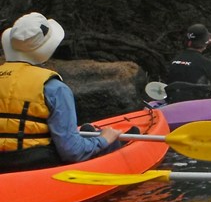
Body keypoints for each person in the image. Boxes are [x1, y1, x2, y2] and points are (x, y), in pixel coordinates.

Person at [0, 12, 123, 172]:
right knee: (111, 143)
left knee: (86, 134)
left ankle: (90, 134)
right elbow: (72, 152)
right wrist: (104, 140)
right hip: (36, 165)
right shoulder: (54, 88)